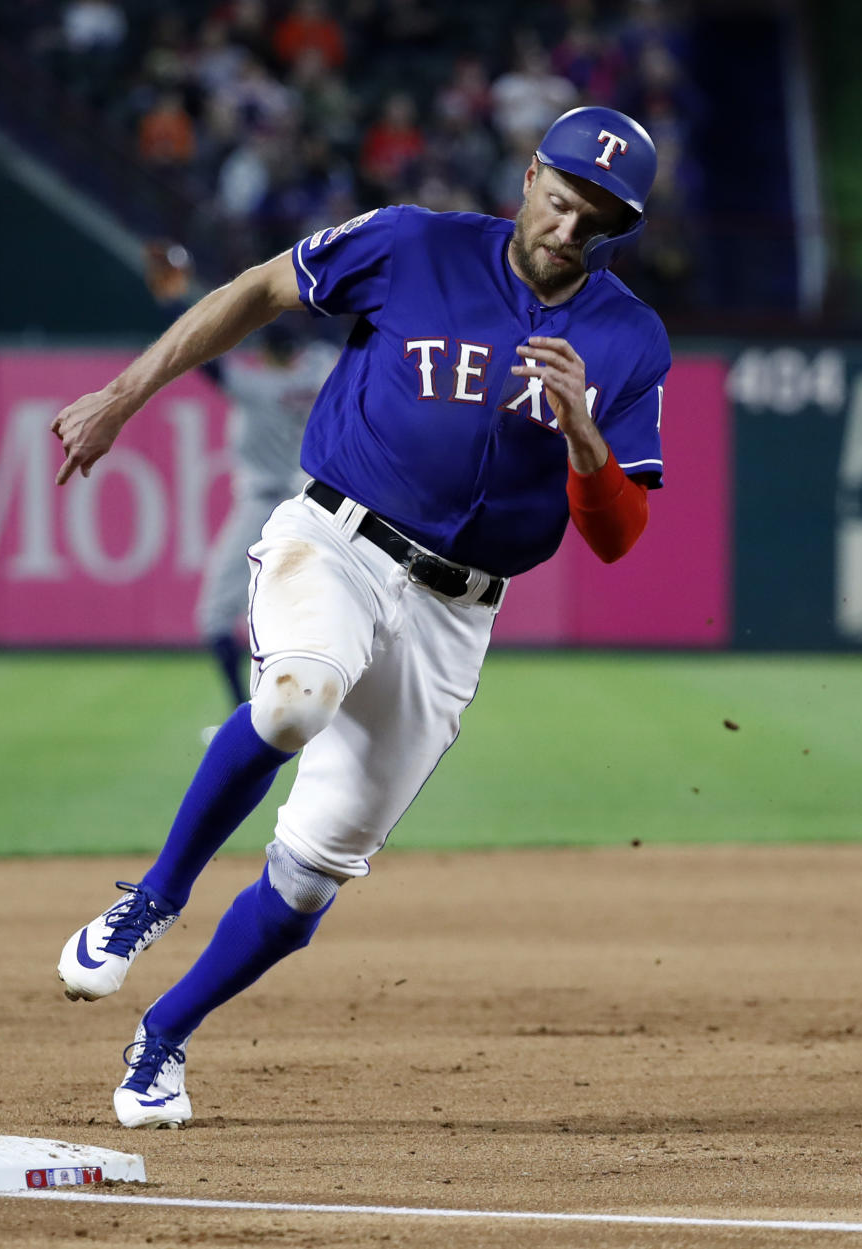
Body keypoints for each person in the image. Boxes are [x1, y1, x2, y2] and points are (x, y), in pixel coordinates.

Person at [52, 105, 671, 1129]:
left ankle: (163, 1035)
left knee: (308, 879)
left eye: (596, 218)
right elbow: (258, 290)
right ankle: (155, 893)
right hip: (337, 539)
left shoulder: (626, 337)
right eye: (561, 200)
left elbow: (617, 534)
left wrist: (583, 434)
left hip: (455, 614)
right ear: (528, 177)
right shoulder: (413, 243)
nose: (569, 228)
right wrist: (126, 395)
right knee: (296, 698)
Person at [143, 240, 337, 707]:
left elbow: (196, 357)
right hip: (314, 505)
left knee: (216, 614)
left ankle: (241, 713)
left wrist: (172, 302)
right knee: (312, 612)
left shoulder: (255, 383)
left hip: (264, 505)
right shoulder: (320, 366)